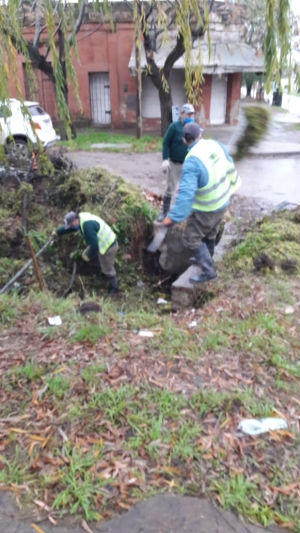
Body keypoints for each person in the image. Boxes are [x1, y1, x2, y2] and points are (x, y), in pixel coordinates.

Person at [162, 122, 241, 283]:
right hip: (222, 200)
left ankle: (208, 270)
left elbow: (185, 196)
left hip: (209, 207)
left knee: (190, 237)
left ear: (184, 140)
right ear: (200, 135)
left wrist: (173, 217)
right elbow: (229, 164)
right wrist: (231, 189)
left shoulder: (191, 162)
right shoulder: (215, 145)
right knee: (210, 231)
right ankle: (207, 259)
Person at [53, 211, 118, 295]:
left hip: (109, 245)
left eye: (71, 224)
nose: (72, 227)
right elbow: (70, 228)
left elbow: (94, 246)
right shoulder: (80, 219)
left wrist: (89, 256)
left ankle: (113, 289)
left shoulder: (87, 226)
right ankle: (100, 269)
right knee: (85, 256)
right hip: (99, 243)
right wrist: (57, 232)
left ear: (75, 220)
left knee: (108, 269)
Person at [157, 103, 195, 222]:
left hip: (188, 164)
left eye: (192, 114)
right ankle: (165, 213)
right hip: (175, 164)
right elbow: (166, 143)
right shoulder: (175, 127)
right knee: (170, 188)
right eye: (188, 114)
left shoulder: (194, 128)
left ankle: (186, 213)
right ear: (182, 114)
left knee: (188, 189)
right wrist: (165, 159)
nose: (190, 116)